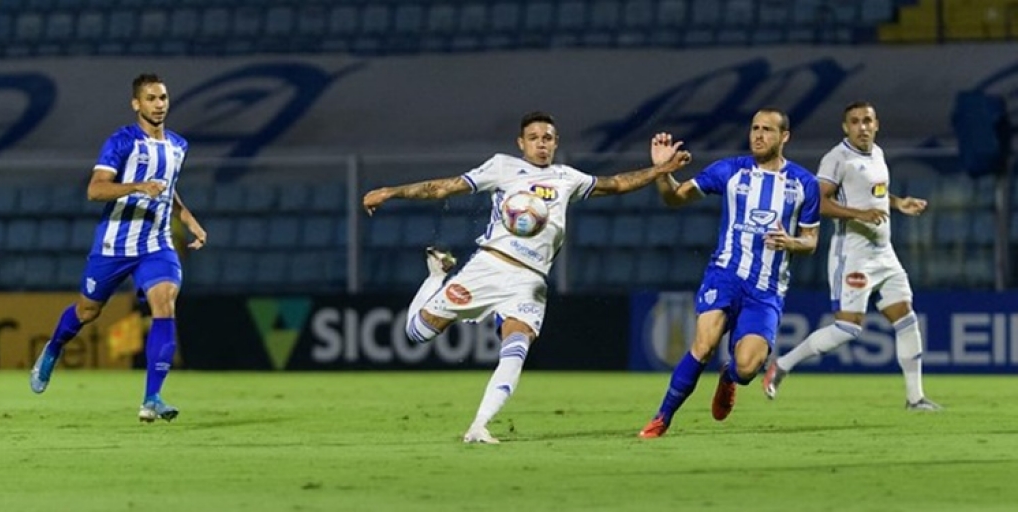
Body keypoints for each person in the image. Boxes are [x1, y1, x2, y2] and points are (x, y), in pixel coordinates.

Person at [362, 111, 692, 444]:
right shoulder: (502, 167)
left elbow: (616, 184)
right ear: (521, 143)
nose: (541, 144)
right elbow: (444, 188)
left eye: (547, 138)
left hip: (529, 281)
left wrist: (659, 171)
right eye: (533, 138)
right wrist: (391, 191)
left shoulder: (567, 177)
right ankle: (436, 275)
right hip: (489, 266)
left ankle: (479, 425)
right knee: (418, 333)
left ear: (556, 142)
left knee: (516, 347)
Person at [30, 73, 207, 423]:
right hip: (115, 245)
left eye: (163, 98)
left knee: (165, 302)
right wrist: (137, 186)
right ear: (136, 104)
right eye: (152, 98)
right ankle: (53, 348)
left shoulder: (178, 146)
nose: (159, 104)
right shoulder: (121, 142)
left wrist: (189, 220)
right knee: (86, 312)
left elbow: (168, 188)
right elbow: (95, 190)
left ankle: (152, 397)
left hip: (156, 243)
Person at [638, 108, 821, 439]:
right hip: (725, 275)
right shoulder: (730, 170)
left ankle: (729, 377)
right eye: (754, 128)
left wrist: (791, 242)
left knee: (748, 368)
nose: (758, 135)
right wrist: (662, 171)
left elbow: (811, 241)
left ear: (785, 137)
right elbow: (675, 198)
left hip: (766, 291)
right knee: (704, 344)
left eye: (767, 129)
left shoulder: (804, 184)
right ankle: (661, 418)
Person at [762, 102, 940, 411]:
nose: (862, 127)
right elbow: (816, 203)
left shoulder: (878, 154)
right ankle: (783, 365)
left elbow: (876, 195)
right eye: (855, 122)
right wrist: (859, 214)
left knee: (907, 319)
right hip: (853, 255)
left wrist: (899, 204)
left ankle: (915, 399)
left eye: (867, 120)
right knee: (848, 329)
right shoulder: (837, 158)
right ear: (846, 127)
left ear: (877, 123)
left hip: (885, 254)